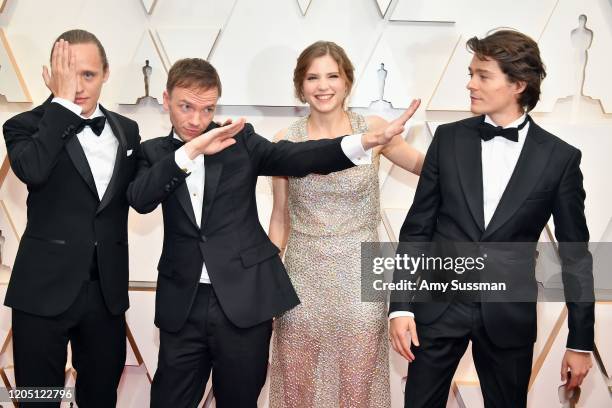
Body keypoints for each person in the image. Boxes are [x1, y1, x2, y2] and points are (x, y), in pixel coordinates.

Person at [126, 57, 419, 408]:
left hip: (244, 302)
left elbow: (301, 156)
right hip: (182, 304)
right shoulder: (152, 153)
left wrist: (366, 141)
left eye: (207, 109)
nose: (195, 120)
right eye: (185, 107)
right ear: (165, 98)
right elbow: (141, 199)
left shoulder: (241, 140)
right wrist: (190, 151)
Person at [388, 29, 594, 408]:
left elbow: (576, 256)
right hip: (436, 308)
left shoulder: (560, 158)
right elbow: (417, 228)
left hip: (508, 315)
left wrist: (580, 341)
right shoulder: (447, 140)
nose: (470, 84)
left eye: (482, 75)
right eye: (470, 73)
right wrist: (400, 305)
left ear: (518, 84)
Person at [267, 41, 423, 408]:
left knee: (358, 386)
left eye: (332, 75)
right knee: (297, 385)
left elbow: (426, 168)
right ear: (300, 86)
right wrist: (266, 287)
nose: (323, 86)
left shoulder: (374, 130)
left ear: (348, 81)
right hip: (301, 279)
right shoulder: (283, 142)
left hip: (360, 278)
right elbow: (279, 219)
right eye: (312, 77)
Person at [2, 29, 141, 407]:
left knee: (100, 397)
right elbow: (32, 170)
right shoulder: (24, 126)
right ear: (50, 74)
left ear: (106, 74)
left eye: (88, 75)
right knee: (38, 399)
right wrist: (60, 104)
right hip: (42, 291)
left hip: (105, 293)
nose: (79, 86)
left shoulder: (127, 131)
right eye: (69, 74)